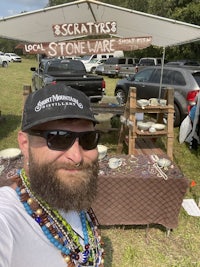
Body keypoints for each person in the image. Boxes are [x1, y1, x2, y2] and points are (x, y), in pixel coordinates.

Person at [0, 84, 104, 267]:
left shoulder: (70, 196)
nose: (77, 157)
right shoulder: (6, 220)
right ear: (25, 144)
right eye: (58, 138)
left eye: (88, 139)